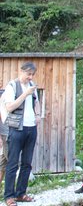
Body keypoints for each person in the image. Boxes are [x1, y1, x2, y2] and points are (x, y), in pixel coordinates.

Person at [2, 62, 40, 205]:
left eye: (32, 75)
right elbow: (9, 107)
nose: (30, 77)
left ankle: (21, 193)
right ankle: (9, 196)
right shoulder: (12, 86)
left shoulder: (32, 85)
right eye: (28, 74)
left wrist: (38, 115)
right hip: (16, 128)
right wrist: (25, 94)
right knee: (12, 164)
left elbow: (36, 102)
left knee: (27, 163)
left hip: (31, 128)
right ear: (22, 72)